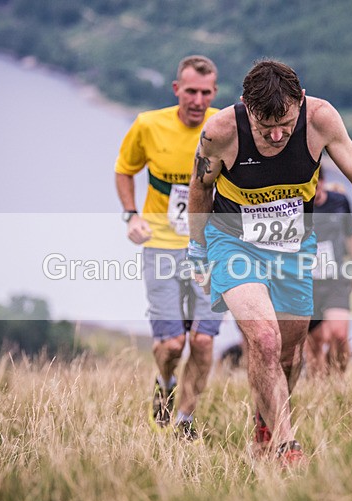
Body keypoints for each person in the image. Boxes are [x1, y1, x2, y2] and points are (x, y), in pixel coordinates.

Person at [187, 59, 352, 464]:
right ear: (246, 107)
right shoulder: (220, 132)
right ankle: (287, 445)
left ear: (299, 103)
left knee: (289, 353)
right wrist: (197, 250)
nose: (277, 134)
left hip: (293, 249)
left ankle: (264, 425)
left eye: (285, 122)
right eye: (265, 129)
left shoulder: (321, 119)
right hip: (234, 245)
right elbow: (200, 188)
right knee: (263, 339)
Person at [114, 55, 224, 440]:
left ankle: (185, 422)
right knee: (174, 343)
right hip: (160, 242)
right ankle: (164, 381)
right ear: (177, 89)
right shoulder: (148, 125)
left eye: (205, 93)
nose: (197, 99)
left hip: (211, 247)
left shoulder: (223, 126)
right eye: (190, 91)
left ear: (214, 93)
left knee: (204, 340)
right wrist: (131, 215)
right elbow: (124, 169)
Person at [305, 167, 352, 378]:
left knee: (339, 335)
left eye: (316, 185)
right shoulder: (294, 208)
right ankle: (318, 386)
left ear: (322, 182)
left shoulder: (339, 202)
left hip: (335, 280)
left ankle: (337, 378)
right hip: (306, 283)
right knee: (315, 342)